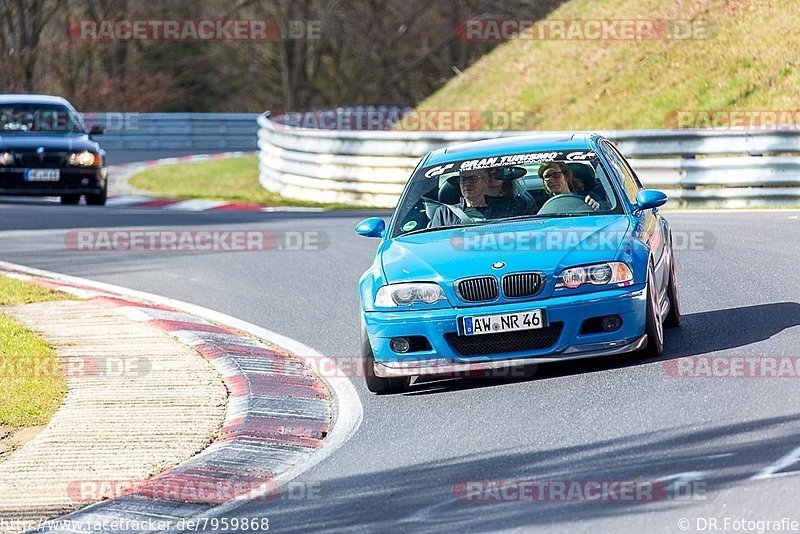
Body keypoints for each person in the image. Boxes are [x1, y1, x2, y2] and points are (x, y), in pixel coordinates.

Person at [428, 169, 494, 228]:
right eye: (463, 179)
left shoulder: (499, 209)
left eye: (473, 178)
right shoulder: (444, 213)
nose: (467, 183)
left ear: (485, 182)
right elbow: (436, 239)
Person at [537, 162, 603, 211]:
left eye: (556, 175)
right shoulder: (540, 204)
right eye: (547, 177)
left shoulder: (588, 197)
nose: (551, 180)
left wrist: (596, 208)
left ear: (566, 176)